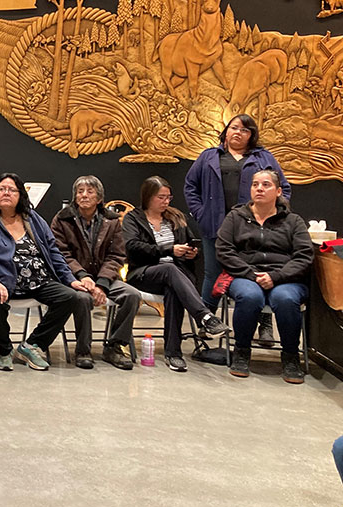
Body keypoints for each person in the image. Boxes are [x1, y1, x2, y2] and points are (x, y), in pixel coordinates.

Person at [0, 172, 93, 371]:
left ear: (21, 195)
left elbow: (52, 251)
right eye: (1, 189)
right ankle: (5, 349)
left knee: (71, 296)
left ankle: (33, 345)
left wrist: (70, 279)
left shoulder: (32, 217)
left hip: (38, 281)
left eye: (11, 189)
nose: (5, 193)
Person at [185, 114, 291, 346]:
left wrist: (274, 216)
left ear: (251, 135)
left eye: (245, 130)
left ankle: (264, 325)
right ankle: (207, 320)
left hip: (255, 228)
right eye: (234, 128)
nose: (238, 133)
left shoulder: (264, 157)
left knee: (259, 272)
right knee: (212, 274)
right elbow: (190, 186)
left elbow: (284, 188)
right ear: (226, 131)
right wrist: (200, 213)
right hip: (215, 225)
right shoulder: (208, 156)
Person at [122, 175, 229, 372]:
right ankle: (204, 317)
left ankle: (174, 353)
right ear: (148, 197)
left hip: (177, 276)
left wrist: (190, 254)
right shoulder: (133, 218)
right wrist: (169, 250)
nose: (166, 201)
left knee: (173, 288)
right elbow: (132, 247)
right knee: (169, 270)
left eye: (168, 197)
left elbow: (188, 244)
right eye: (161, 197)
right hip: (144, 273)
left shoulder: (176, 217)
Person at [216, 169, 313, 384]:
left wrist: (276, 276)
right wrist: (251, 274)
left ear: (278, 191)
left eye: (266, 185)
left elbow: (304, 256)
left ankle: (290, 356)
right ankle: (241, 351)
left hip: (285, 278)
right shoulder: (235, 217)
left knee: (286, 299)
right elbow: (224, 251)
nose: (259, 188)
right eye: (255, 184)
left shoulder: (293, 221)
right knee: (250, 297)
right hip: (245, 276)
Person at [51, 175, 138, 370]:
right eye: (80, 192)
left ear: (99, 198)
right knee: (82, 299)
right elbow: (60, 253)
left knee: (132, 295)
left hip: (104, 277)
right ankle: (83, 350)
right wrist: (83, 276)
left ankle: (115, 346)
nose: (84, 195)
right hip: (74, 278)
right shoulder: (62, 219)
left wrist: (102, 284)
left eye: (90, 192)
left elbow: (117, 255)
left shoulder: (112, 220)